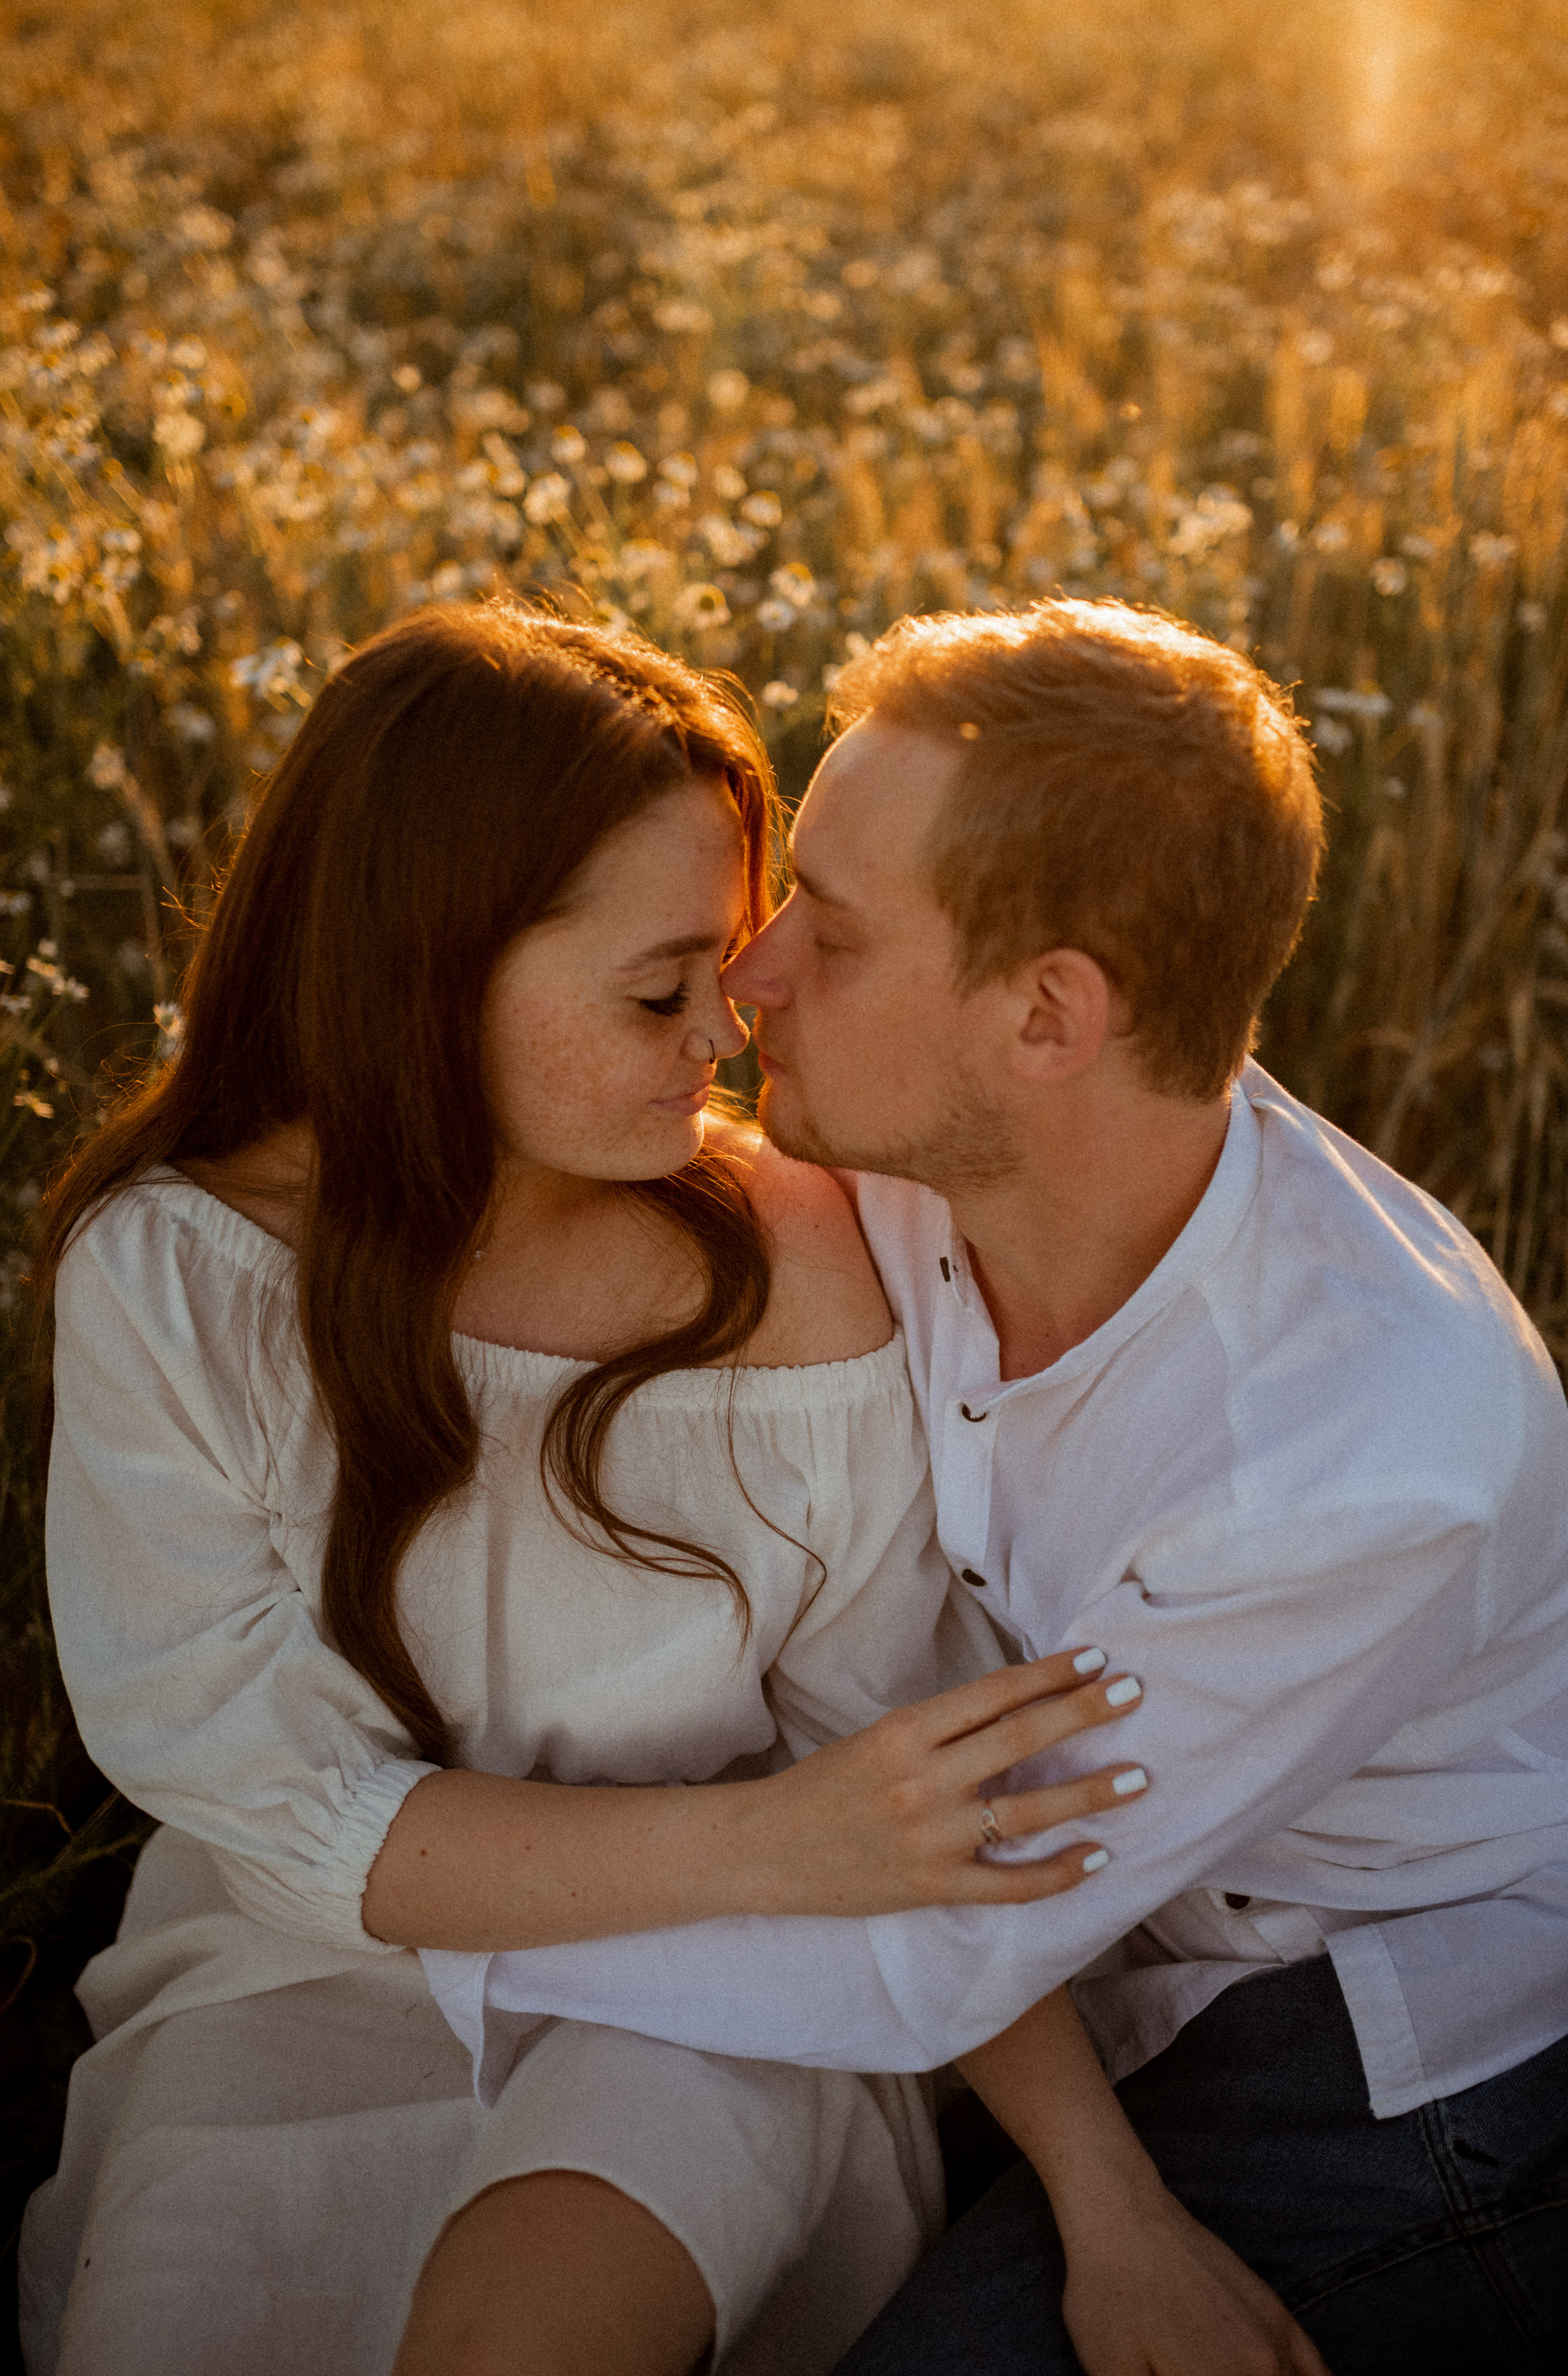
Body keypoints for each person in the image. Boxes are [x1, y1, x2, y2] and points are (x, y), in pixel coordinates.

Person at [19, 602, 1299, 2376]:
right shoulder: (176, 1277)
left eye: (739, 952)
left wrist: (1109, 2201)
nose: (731, 1026)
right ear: (425, 962)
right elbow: (270, 1790)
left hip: (730, 1988)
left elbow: (912, 1780)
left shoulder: (801, 1266)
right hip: (314, 1977)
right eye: (657, 986)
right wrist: (776, 1832)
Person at [425, 598, 1568, 2376]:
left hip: (1387, 2045)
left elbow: (947, 1929)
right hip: (1077, 1958)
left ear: (1051, 1017)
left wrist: (434, 1915)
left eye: (840, 928)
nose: (755, 974)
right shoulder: (894, 1164)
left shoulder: (1359, 1457)